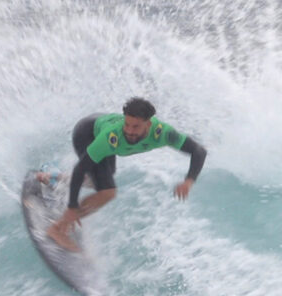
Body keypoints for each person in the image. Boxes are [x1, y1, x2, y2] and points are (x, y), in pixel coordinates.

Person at [46, 97, 207, 251]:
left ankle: (56, 179)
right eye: (127, 124)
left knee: (102, 179)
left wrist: (188, 181)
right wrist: (72, 206)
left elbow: (199, 151)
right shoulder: (112, 137)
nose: (129, 131)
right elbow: (80, 168)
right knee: (107, 192)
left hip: (100, 124)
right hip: (86, 133)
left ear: (148, 124)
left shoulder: (163, 133)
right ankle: (57, 229)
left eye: (135, 127)